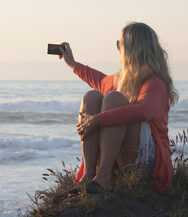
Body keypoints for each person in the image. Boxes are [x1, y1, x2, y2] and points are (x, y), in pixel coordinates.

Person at [59, 22, 179, 194]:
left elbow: (143, 111)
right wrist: (73, 64)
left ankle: (104, 176)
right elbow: (100, 81)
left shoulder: (155, 82)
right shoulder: (123, 79)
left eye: (119, 44)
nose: (118, 49)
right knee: (92, 97)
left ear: (131, 48)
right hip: (125, 156)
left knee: (114, 98)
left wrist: (98, 119)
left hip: (148, 162)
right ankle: (90, 173)